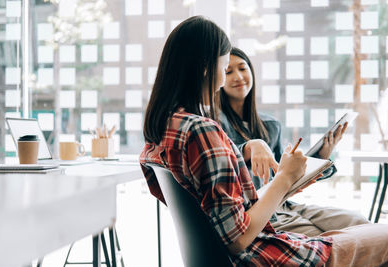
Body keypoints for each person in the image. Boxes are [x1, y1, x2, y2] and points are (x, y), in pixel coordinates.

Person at [140, 15, 388, 266]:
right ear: (205, 66)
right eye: (224, 66)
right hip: (263, 256)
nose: (225, 79)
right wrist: (284, 178)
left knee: (360, 225)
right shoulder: (201, 131)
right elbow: (238, 238)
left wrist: (295, 172)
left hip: (257, 245)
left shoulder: (163, 129)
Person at [218, 47, 370, 236]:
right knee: (321, 235)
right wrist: (251, 146)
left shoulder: (270, 125)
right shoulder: (215, 124)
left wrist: (321, 157)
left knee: (360, 223)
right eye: (228, 71)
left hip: (285, 204)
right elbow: (223, 159)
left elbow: (287, 178)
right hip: (258, 213)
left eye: (242, 68)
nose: (238, 77)